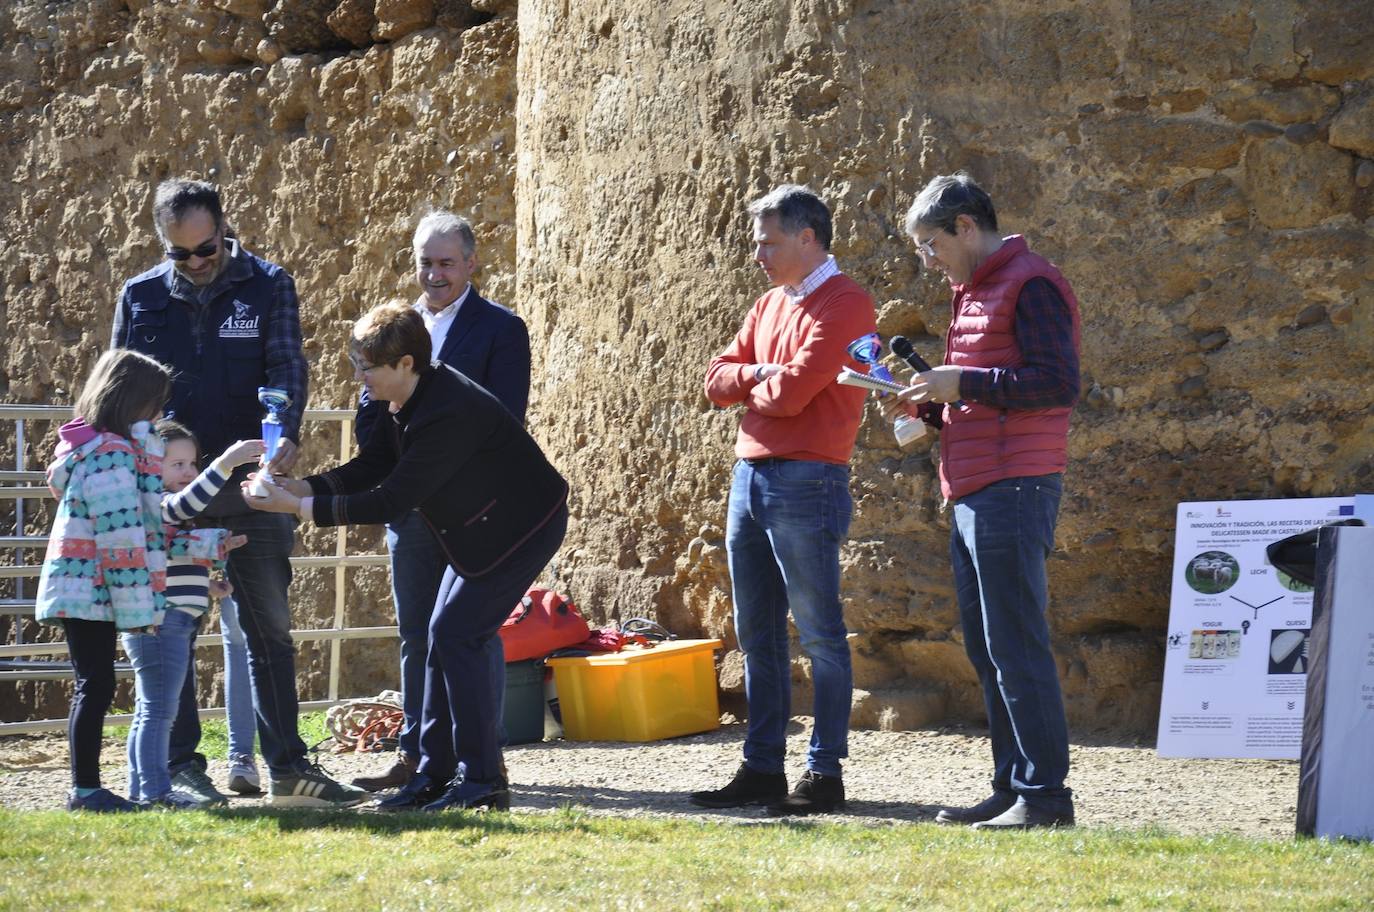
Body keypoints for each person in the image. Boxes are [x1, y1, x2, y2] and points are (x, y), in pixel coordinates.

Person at [243, 302, 567, 812]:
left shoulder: (447, 410)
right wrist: (303, 485)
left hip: (524, 525)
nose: (359, 375)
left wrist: (299, 507)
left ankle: (483, 783)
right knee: (442, 637)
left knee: (458, 635)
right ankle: (432, 775)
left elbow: (391, 498)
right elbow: (373, 463)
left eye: (367, 366)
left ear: (405, 365)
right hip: (480, 528)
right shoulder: (395, 400)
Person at [111, 179, 364, 808]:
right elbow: (118, 394)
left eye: (207, 248)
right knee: (173, 630)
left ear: (226, 227)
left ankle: (288, 769)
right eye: (181, 253)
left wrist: (285, 441)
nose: (197, 263)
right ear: (162, 244)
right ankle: (180, 766)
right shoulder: (139, 297)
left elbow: (287, 370)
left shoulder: (269, 283)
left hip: (254, 490)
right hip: (170, 499)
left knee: (269, 631)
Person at [888, 172, 1081, 829]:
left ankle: (1046, 798)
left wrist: (959, 380)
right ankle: (1012, 788)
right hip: (975, 485)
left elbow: (1055, 383)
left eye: (930, 244)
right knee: (989, 646)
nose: (927, 258)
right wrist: (935, 408)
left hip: (1014, 485)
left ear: (965, 227)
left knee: (1016, 643)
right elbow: (987, 395)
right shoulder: (972, 292)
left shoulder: (1030, 282)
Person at [694, 185, 877, 816]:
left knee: (819, 630)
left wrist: (756, 384)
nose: (757, 254)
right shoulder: (769, 303)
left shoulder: (847, 302)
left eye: (768, 241)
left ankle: (823, 773)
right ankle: (763, 766)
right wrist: (756, 378)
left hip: (807, 477)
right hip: (751, 475)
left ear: (808, 237)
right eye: (755, 241)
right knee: (758, 631)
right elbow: (715, 379)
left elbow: (795, 395)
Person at [351, 210, 531, 793]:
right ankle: (419, 758)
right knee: (417, 636)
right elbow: (372, 417)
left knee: (471, 632)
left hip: (474, 511)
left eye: (446, 263)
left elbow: (504, 419)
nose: (434, 274)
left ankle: (480, 757)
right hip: (411, 509)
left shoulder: (503, 330)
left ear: (471, 264)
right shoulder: (393, 329)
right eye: (425, 262)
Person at [35, 349, 172, 812]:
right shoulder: (111, 455)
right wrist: (142, 611)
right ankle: (86, 791)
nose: (159, 414)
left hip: (84, 587)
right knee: (95, 685)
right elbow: (121, 538)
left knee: (92, 683)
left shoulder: (97, 449)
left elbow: (140, 528)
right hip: (90, 588)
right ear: (133, 400)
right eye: (155, 403)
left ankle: (85, 789)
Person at [122, 420, 262, 808]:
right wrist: (225, 465)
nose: (187, 472)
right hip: (162, 622)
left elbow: (170, 560)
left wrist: (207, 585)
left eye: (192, 464)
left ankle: (141, 789)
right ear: (152, 465)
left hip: (169, 618)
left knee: (149, 710)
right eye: (177, 464)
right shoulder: (157, 501)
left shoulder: (155, 508)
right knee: (158, 712)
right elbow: (185, 504)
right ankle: (155, 792)